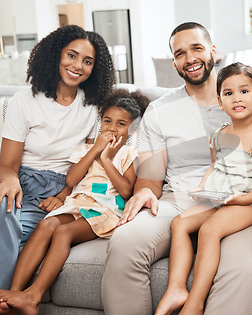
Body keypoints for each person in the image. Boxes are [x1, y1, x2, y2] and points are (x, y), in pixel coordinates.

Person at [101, 22, 252, 315]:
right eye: (180, 53)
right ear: (174, 62)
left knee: (242, 268)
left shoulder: (246, 99)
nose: (190, 58)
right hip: (179, 200)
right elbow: (151, 179)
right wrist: (143, 192)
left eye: (196, 48)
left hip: (241, 203)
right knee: (125, 241)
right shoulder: (159, 110)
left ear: (212, 51)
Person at [0, 89, 149, 315]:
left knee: (63, 233)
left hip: (105, 210)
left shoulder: (129, 154)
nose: (112, 128)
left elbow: (127, 190)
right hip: (78, 204)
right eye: (107, 121)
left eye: (121, 124)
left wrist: (107, 159)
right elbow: (71, 179)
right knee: (46, 225)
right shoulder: (87, 150)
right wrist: (96, 150)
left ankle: (34, 296)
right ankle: (14, 293)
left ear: (133, 129)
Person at [155, 62, 252, 315]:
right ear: (219, 100)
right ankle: (176, 288)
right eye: (228, 93)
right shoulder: (218, 134)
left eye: (244, 91)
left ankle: (195, 302)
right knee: (179, 223)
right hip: (218, 198)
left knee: (209, 230)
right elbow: (215, 166)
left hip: (248, 203)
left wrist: (241, 199)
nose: (237, 98)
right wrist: (203, 187)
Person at [0, 25, 114, 292]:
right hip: (20, 182)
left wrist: (63, 195)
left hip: (59, 188)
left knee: (14, 230)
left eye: (87, 61)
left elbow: (86, 166)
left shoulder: (93, 107)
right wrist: (9, 181)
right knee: (5, 211)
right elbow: (7, 164)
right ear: (55, 55)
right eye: (71, 55)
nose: (78, 66)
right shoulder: (24, 100)